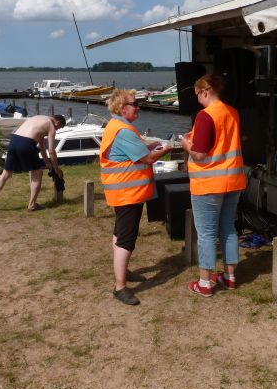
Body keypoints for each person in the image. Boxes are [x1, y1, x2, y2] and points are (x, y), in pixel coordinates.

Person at [100, 89, 173, 306]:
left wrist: (148, 146)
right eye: (134, 103)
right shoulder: (123, 131)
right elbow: (148, 159)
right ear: (123, 109)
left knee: (119, 232)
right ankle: (120, 287)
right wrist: (165, 149)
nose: (138, 106)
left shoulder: (115, 126)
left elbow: (136, 152)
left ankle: (123, 272)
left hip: (121, 191)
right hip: (127, 193)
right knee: (126, 239)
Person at [180, 73, 246, 298]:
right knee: (228, 228)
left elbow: (199, 154)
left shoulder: (205, 116)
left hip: (209, 183)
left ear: (205, 91)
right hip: (233, 180)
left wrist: (186, 144)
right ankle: (230, 277)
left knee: (207, 233)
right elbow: (221, 142)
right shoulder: (233, 113)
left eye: (198, 94)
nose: (197, 99)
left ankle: (205, 283)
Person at [0, 114, 66, 212]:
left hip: (14, 141)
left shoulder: (39, 118)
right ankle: (32, 205)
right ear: (57, 122)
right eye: (59, 128)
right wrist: (56, 169)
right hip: (26, 143)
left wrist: (48, 163)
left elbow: (42, 147)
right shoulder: (51, 126)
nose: (56, 130)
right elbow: (52, 151)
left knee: (5, 174)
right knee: (37, 173)